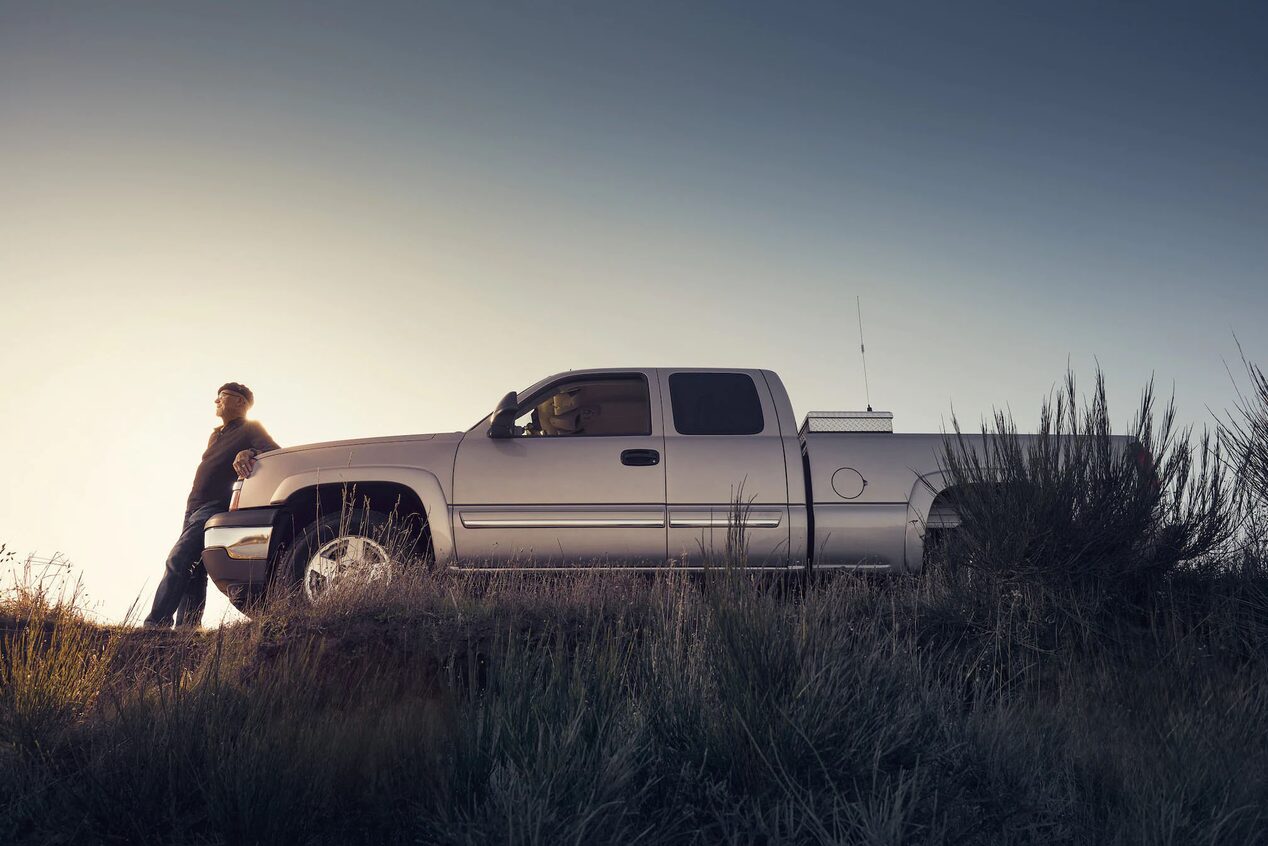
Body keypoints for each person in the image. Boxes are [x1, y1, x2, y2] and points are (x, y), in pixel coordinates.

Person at [143, 382, 279, 629]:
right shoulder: (215, 434)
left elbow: (274, 453)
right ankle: (186, 630)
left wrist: (249, 451)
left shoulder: (251, 427)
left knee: (179, 557)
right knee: (195, 569)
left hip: (216, 505)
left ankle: (155, 623)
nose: (216, 401)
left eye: (222, 396)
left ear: (240, 402)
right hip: (193, 506)